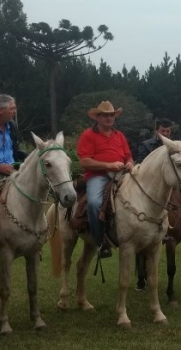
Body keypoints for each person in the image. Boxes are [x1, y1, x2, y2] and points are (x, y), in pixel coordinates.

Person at [77, 100, 134, 259]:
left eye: (111, 115)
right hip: (98, 176)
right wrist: (108, 165)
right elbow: (84, 161)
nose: (109, 118)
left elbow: (128, 155)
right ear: (98, 117)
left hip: (122, 173)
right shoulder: (88, 135)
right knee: (94, 202)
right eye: (105, 115)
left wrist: (129, 163)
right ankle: (101, 240)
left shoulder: (119, 135)